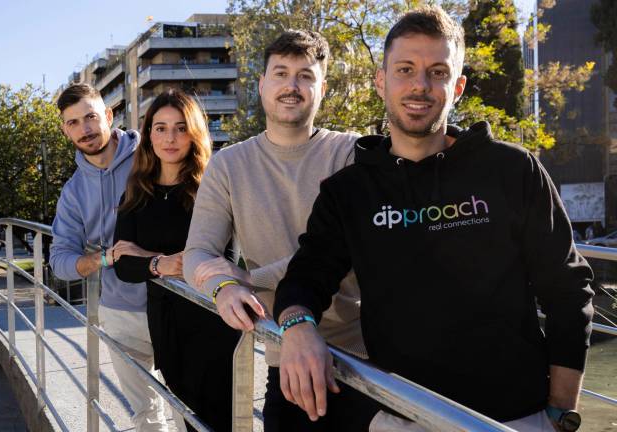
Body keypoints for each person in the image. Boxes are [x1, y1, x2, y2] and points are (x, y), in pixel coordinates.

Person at [273, 7, 594, 432]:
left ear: (457, 86)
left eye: (437, 72)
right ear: (380, 80)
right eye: (405, 69)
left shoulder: (513, 170)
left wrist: (559, 410)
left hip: (516, 418)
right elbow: (304, 279)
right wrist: (297, 327)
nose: (420, 86)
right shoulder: (348, 192)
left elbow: (569, 291)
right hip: (402, 416)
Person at [183, 30, 374, 431]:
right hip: (282, 353)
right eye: (281, 73)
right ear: (261, 84)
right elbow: (198, 253)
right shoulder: (229, 165)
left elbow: (351, 248)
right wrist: (224, 286)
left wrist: (251, 279)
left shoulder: (353, 153)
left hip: (362, 359)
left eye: (305, 75)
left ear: (322, 87)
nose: (292, 85)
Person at [111, 89, 241, 432]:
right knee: (184, 410)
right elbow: (123, 264)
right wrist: (162, 264)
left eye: (181, 128)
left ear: (194, 132)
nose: (170, 138)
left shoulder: (212, 186)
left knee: (215, 416)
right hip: (165, 318)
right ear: (149, 134)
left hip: (212, 320)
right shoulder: (137, 191)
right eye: (160, 127)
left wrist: (147, 258)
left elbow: (222, 258)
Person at [49, 84, 169, 432]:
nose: (84, 129)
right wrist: (104, 259)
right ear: (64, 130)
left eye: (90, 117)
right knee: (147, 416)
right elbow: (59, 261)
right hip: (120, 312)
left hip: (175, 300)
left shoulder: (151, 155)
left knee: (188, 409)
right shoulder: (73, 192)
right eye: (73, 123)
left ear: (109, 116)